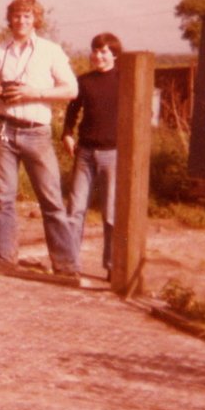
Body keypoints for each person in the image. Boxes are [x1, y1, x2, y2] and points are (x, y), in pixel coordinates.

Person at [0, 0, 79, 276]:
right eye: (17, 16)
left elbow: (71, 89)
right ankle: (5, 261)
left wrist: (34, 93)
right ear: (9, 19)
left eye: (27, 16)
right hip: (4, 131)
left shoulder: (50, 51)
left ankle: (66, 266)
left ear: (36, 20)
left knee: (52, 200)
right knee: (4, 199)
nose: (21, 21)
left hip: (37, 133)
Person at [62, 32, 122, 278]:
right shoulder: (84, 82)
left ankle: (112, 267)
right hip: (85, 153)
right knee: (75, 210)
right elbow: (72, 112)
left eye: (104, 51)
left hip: (114, 155)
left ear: (115, 55)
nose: (98, 56)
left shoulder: (125, 80)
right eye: (95, 51)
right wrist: (67, 133)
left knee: (111, 213)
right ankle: (70, 264)